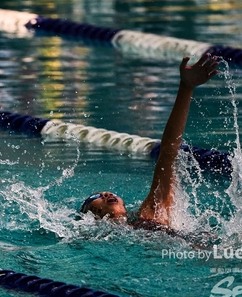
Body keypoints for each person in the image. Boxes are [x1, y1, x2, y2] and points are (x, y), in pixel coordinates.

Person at [80, 54, 220, 232]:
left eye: (110, 193)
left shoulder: (150, 212)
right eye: (96, 196)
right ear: (90, 213)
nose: (107, 194)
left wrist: (186, 88)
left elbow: (168, 152)